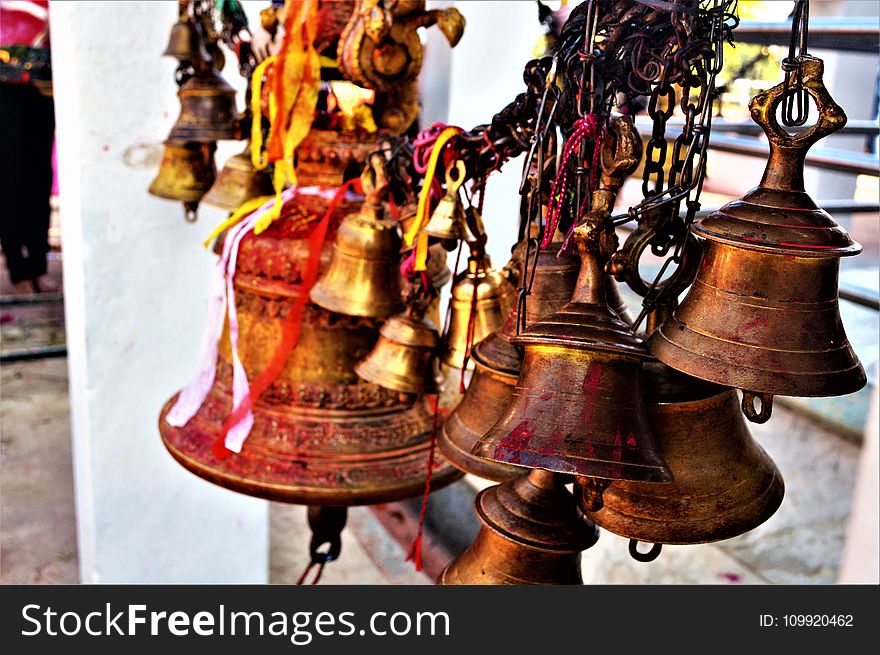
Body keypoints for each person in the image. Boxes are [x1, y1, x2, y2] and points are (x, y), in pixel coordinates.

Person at [0, 0, 57, 294]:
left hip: (41, 84)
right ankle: (17, 266)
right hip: (4, 87)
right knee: (9, 176)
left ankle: (38, 264)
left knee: (39, 176)